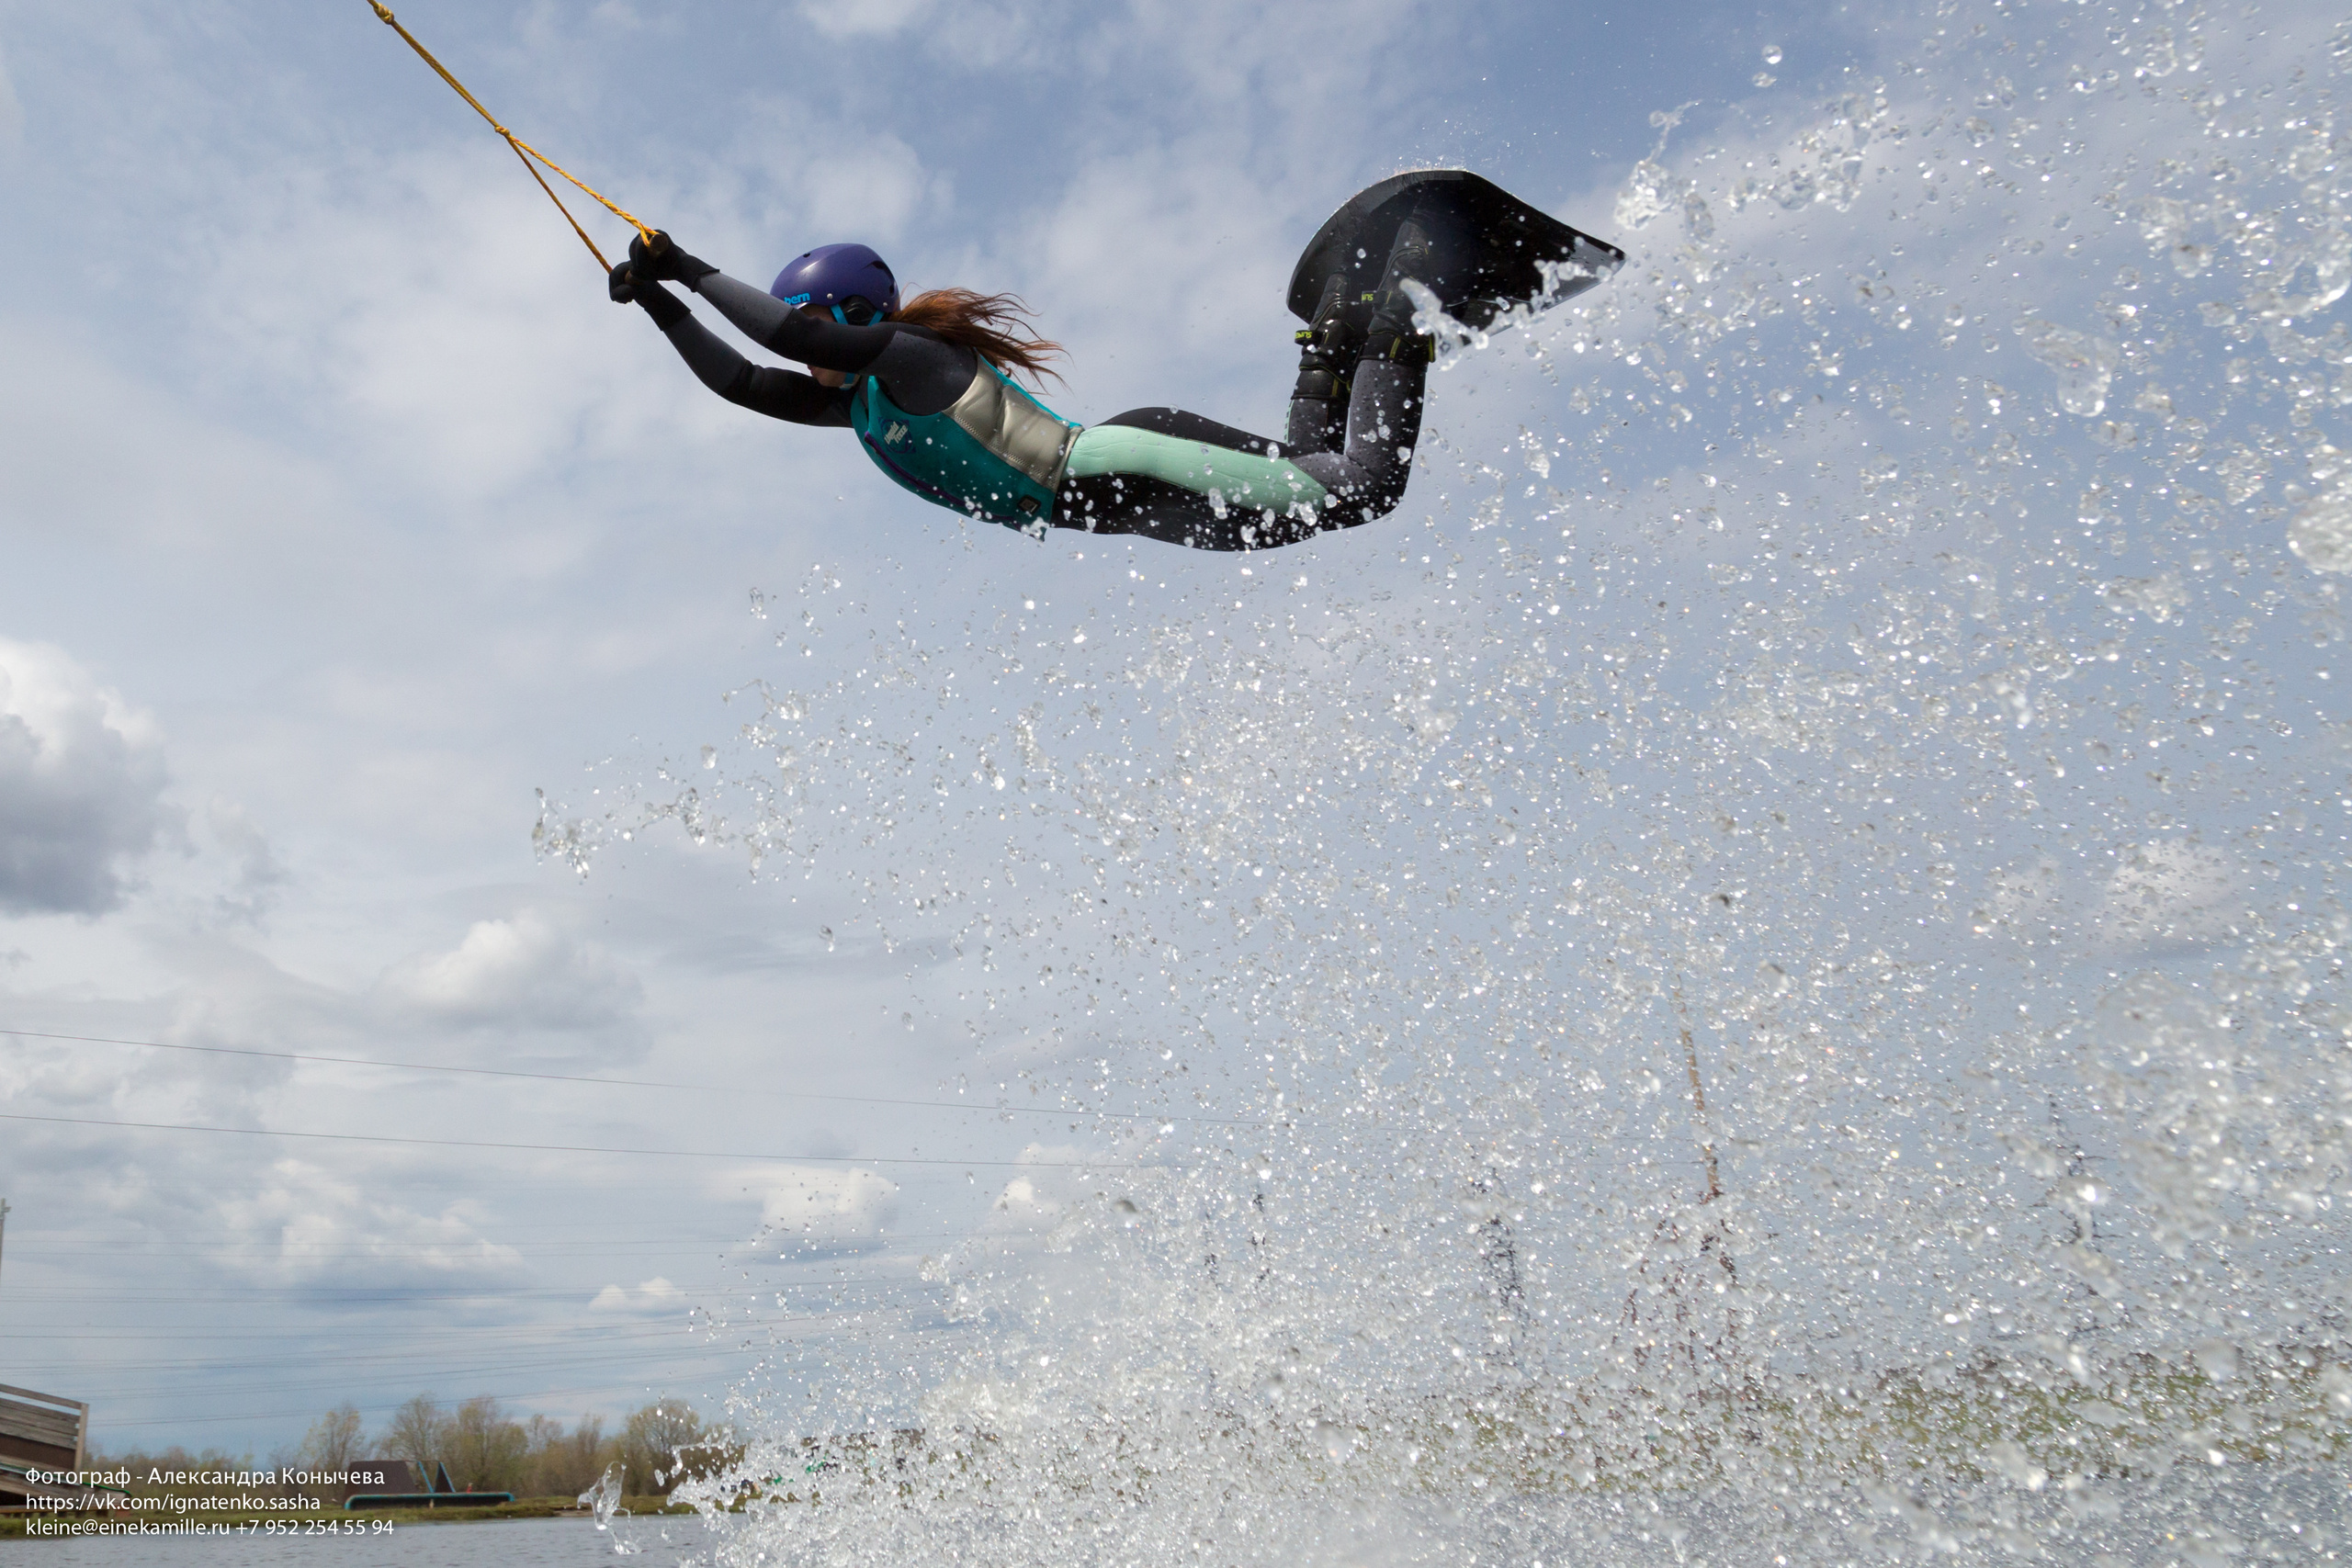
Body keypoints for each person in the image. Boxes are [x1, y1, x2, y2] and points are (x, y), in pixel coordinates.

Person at [607, 207, 1448, 552]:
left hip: (1129, 461)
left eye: (820, 329)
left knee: (1357, 492)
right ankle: (1338, 329)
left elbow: (782, 330)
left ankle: (1411, 299)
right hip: (1123, 509)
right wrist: (653, 301)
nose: (804, 353)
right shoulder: (862, 407)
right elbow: (743, 382)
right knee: (1309, 506)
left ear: (861, 317)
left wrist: (685, 267)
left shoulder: (906, 356)